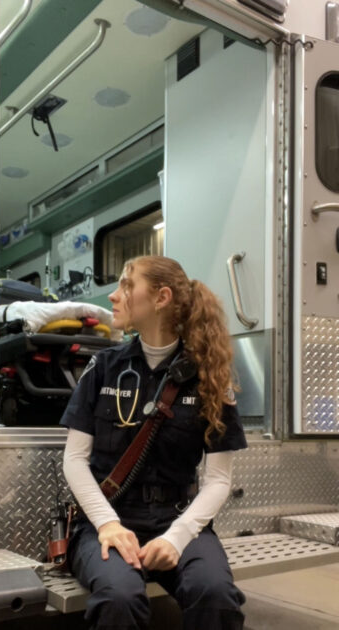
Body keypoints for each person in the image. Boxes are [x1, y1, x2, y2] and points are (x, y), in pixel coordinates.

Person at [60, 255, 248, 630]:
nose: (114, 296)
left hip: (178, 518)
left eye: (127, 285)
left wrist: (177, 538)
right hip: (107, 518)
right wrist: (108, 524)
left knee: (215, 594)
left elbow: (218, 481)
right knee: (120, 599)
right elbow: (74, 461)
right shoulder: (103, 368)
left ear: (161, 297)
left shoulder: (209, 376)